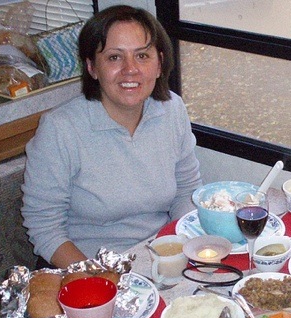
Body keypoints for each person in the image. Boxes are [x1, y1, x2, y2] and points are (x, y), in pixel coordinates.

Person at [22, 5, 202, 269]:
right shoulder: (61, 129)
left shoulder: (172, 109)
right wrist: (101, 279)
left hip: (158, 256)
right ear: (93, 67)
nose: (130, 69)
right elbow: (45, 228)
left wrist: (184, 246)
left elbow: (186, 191)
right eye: (114, 58)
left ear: (160, 64)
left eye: (142, 55)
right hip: (87, 268)